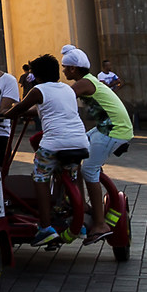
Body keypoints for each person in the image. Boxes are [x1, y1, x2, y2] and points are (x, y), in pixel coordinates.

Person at [5, 53, 91, 246]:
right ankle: (79, 223)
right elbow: (50, 108)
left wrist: (4, 115)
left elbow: (18, 109)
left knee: (41, 178)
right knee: (72, 175)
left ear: (37, 76)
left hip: (54, 144)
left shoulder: (37, 90)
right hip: (79, 141)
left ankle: (45, 227)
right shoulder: (68, 90)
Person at [60, 47, 132, 244]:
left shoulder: (83, 84)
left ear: (74, 69)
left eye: (65, 67)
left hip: (114, 130)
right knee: (76, 155)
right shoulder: (89, 80)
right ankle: (81, 205)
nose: (64, 71)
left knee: (90, 169)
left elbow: (58, 100)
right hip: (107, 127)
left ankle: (100, 224)